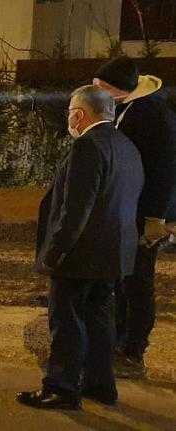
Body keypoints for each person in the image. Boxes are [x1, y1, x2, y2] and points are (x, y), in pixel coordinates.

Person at [17, 85, 144, 410]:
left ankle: (61, 387)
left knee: (66, 321)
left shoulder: (88, 147)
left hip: (80, 256)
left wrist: (55, 253)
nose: (69, 118)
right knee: (100, 321)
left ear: (80, 114)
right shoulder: (127, 146)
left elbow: (75, 210)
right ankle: (100, 385)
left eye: (71, 111)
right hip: (113, 255)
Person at [94, 57, 176, 377]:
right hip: (133, 207)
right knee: (125, 277)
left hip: (146, 212)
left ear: (118, 88)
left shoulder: (151, 113)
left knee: (138, 280)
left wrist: (155, 218)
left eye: (101, 88)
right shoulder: (133, 107)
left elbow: (165, 169)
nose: (96, 93)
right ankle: (119, 339)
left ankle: (133, 349)